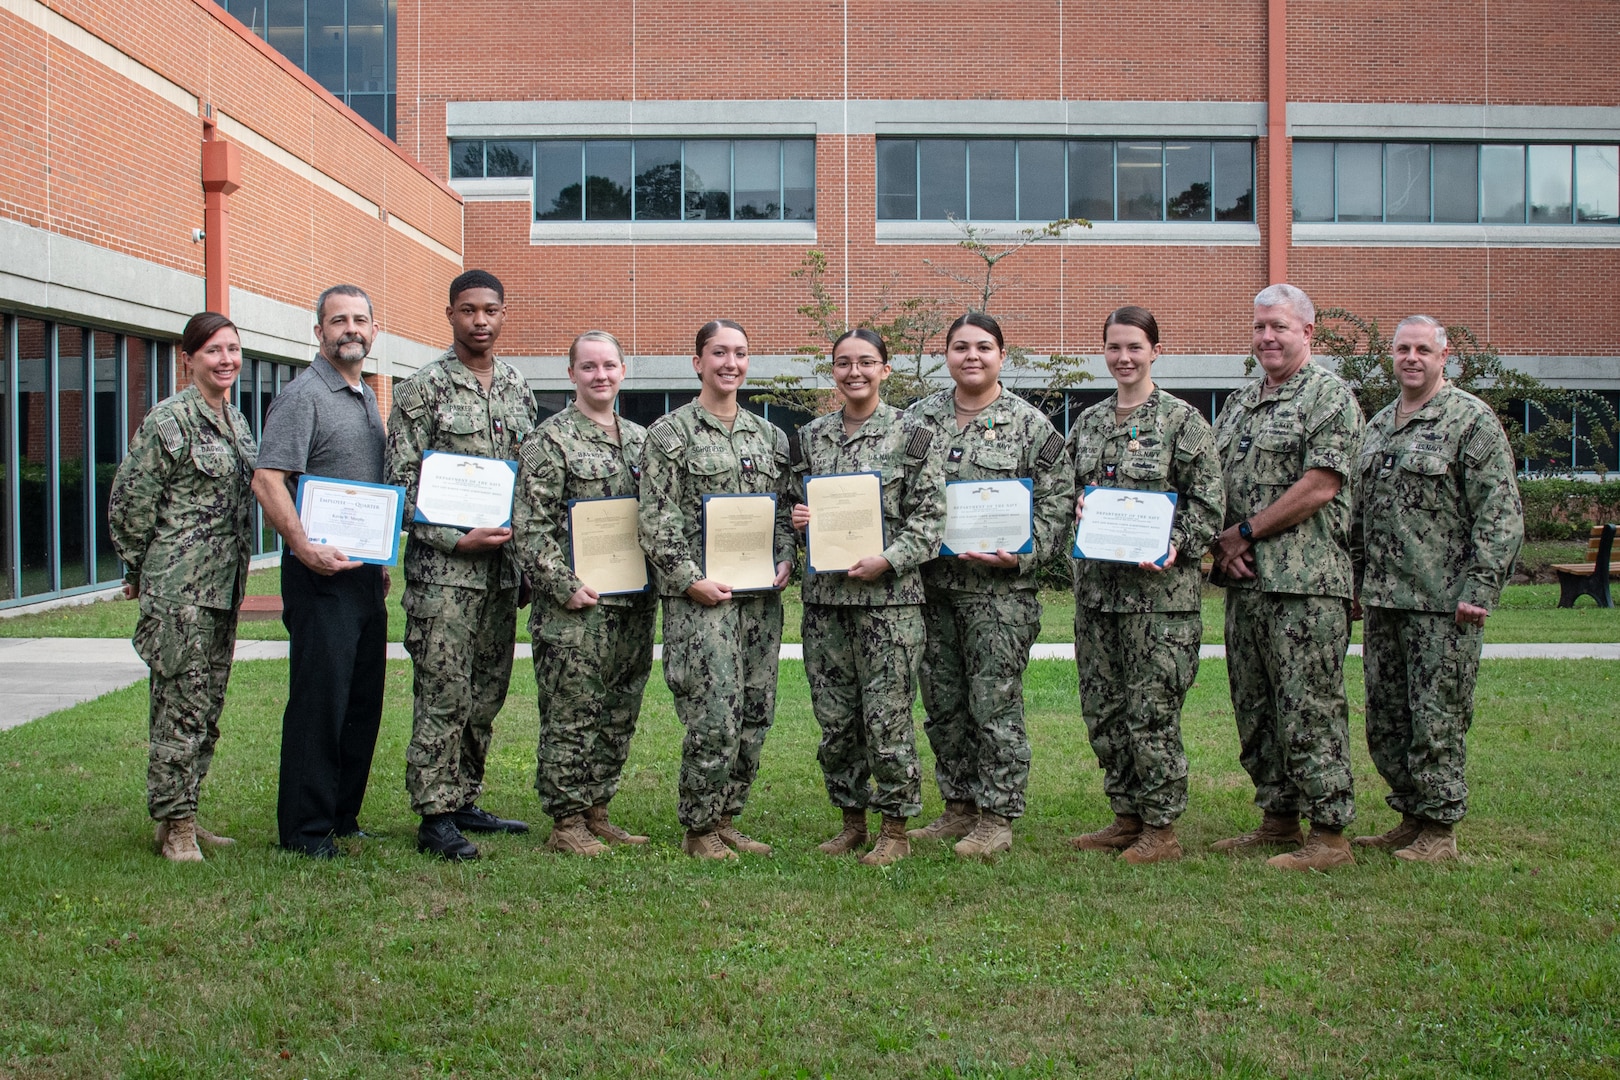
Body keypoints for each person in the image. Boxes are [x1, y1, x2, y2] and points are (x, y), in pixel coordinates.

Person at [1351, 315, 1523, 862]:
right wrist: (1356, 582)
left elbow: (1500, 512)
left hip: (1442, 604)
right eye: (1402, 348)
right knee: (1387, 716)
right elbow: (1359, 516)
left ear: (1444, 356)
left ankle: (1441, 829)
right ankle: (1411, 815)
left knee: (1437, 715)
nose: (1411, 358)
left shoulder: (1470, 420)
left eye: (1423, 349)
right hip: (1383, 600)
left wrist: (1481, 585)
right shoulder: (1377, 426)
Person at [904, 313, 1073, 858]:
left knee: (994, 701)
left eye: (982, 347)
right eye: (959, 347)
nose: (970, 356)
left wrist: (1025, 553)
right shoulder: (916, 421)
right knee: (944, 703)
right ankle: (958, 806)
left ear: (1002, 354)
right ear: (946, 355)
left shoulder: (1031, 426)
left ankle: (997, 815)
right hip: (931, 590)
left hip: (999, 596)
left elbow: (1057, 503)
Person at [1209, 284, 1365, 871]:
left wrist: (1243, 534)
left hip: (1304, 584)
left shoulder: (1329, 397)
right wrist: (1222, 544)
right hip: (1246, 583)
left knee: (1310, 705)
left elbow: (1320, 485)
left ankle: (1329, 834)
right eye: (1259, 327)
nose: (1267, 338)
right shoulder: (1243, 401)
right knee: (1256, 706)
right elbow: (1216, 480)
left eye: (1279, 327)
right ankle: (1278, 819)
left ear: (1308, 333)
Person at [388, 269, 538, 860]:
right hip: (445, 577)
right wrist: (456, 538)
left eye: (491, 310)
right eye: (469, 310)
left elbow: (529, 484)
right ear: (450, 314)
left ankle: (465, 797)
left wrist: (524, 560)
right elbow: (401, 487)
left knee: (486, 694)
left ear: (504, 315)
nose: (481, 320)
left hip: (501, 575)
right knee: (444, 692)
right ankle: (434, 815)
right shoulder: (421, 390)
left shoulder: (518, 388)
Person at [1066, 307, 1225, 864]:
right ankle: (1126, 815)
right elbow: (1066, 499)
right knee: (1104, 711)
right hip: (1098, 600)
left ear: (1155, 350)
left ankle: (1161, 829)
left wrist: (1177, 541)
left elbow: (1208, 501)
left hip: (1160, 603)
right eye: (1114, 347)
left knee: (1151, 712)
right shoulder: (1087, 425)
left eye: (1135, 346)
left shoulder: (1183, 423)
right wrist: (1078, 507)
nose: (1124, 357)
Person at [638, 319, 795, 860]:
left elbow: (781, 512)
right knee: (713, 712)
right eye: (719, 353)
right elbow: (656, 521)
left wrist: (785, 558)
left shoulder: (769, 436)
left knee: (755, 710)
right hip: (701, 602)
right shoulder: (669, 435)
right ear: (697, 361)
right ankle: (699, 829)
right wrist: (690, 580)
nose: (731, 363)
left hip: (760, 602)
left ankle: (728, 817)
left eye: (741, 354)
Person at [788, 329, 946, 866]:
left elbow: (930, 519)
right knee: (836, 719)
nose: (854, 372)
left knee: (888, 718)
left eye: (866, 362)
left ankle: (896, 826)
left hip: (890, 604)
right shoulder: (810, 437)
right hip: (826, 602)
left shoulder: (915, 434)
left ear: (886, 368)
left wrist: (891, 558)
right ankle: (852, 820)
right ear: (831, 371)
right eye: (843, 364)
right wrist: (798, 518)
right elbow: (792, 506)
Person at [109, 312, 257, 862]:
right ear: (187, 357)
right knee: (180, 708)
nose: (226, 360)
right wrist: (138, 573)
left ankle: (186, 811)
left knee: (207, 709)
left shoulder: (236, 423)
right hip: (181, 595)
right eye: (214, 350)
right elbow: (129, 504)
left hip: (223, 590)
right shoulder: (168, 422)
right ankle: (175, 828)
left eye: (233, 350)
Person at [513, 331, 655, 856]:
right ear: (571, 373)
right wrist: (563, 585)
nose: (600, 376)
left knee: (619, 710)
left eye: (609, 365)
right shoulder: (549, 441)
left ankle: (598, 809)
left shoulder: (643, 441)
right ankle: (566, 822)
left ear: (624, 371)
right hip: (577, 607)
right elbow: (530, 526)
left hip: (633, 604)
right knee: (571, 712)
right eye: (589, 367)